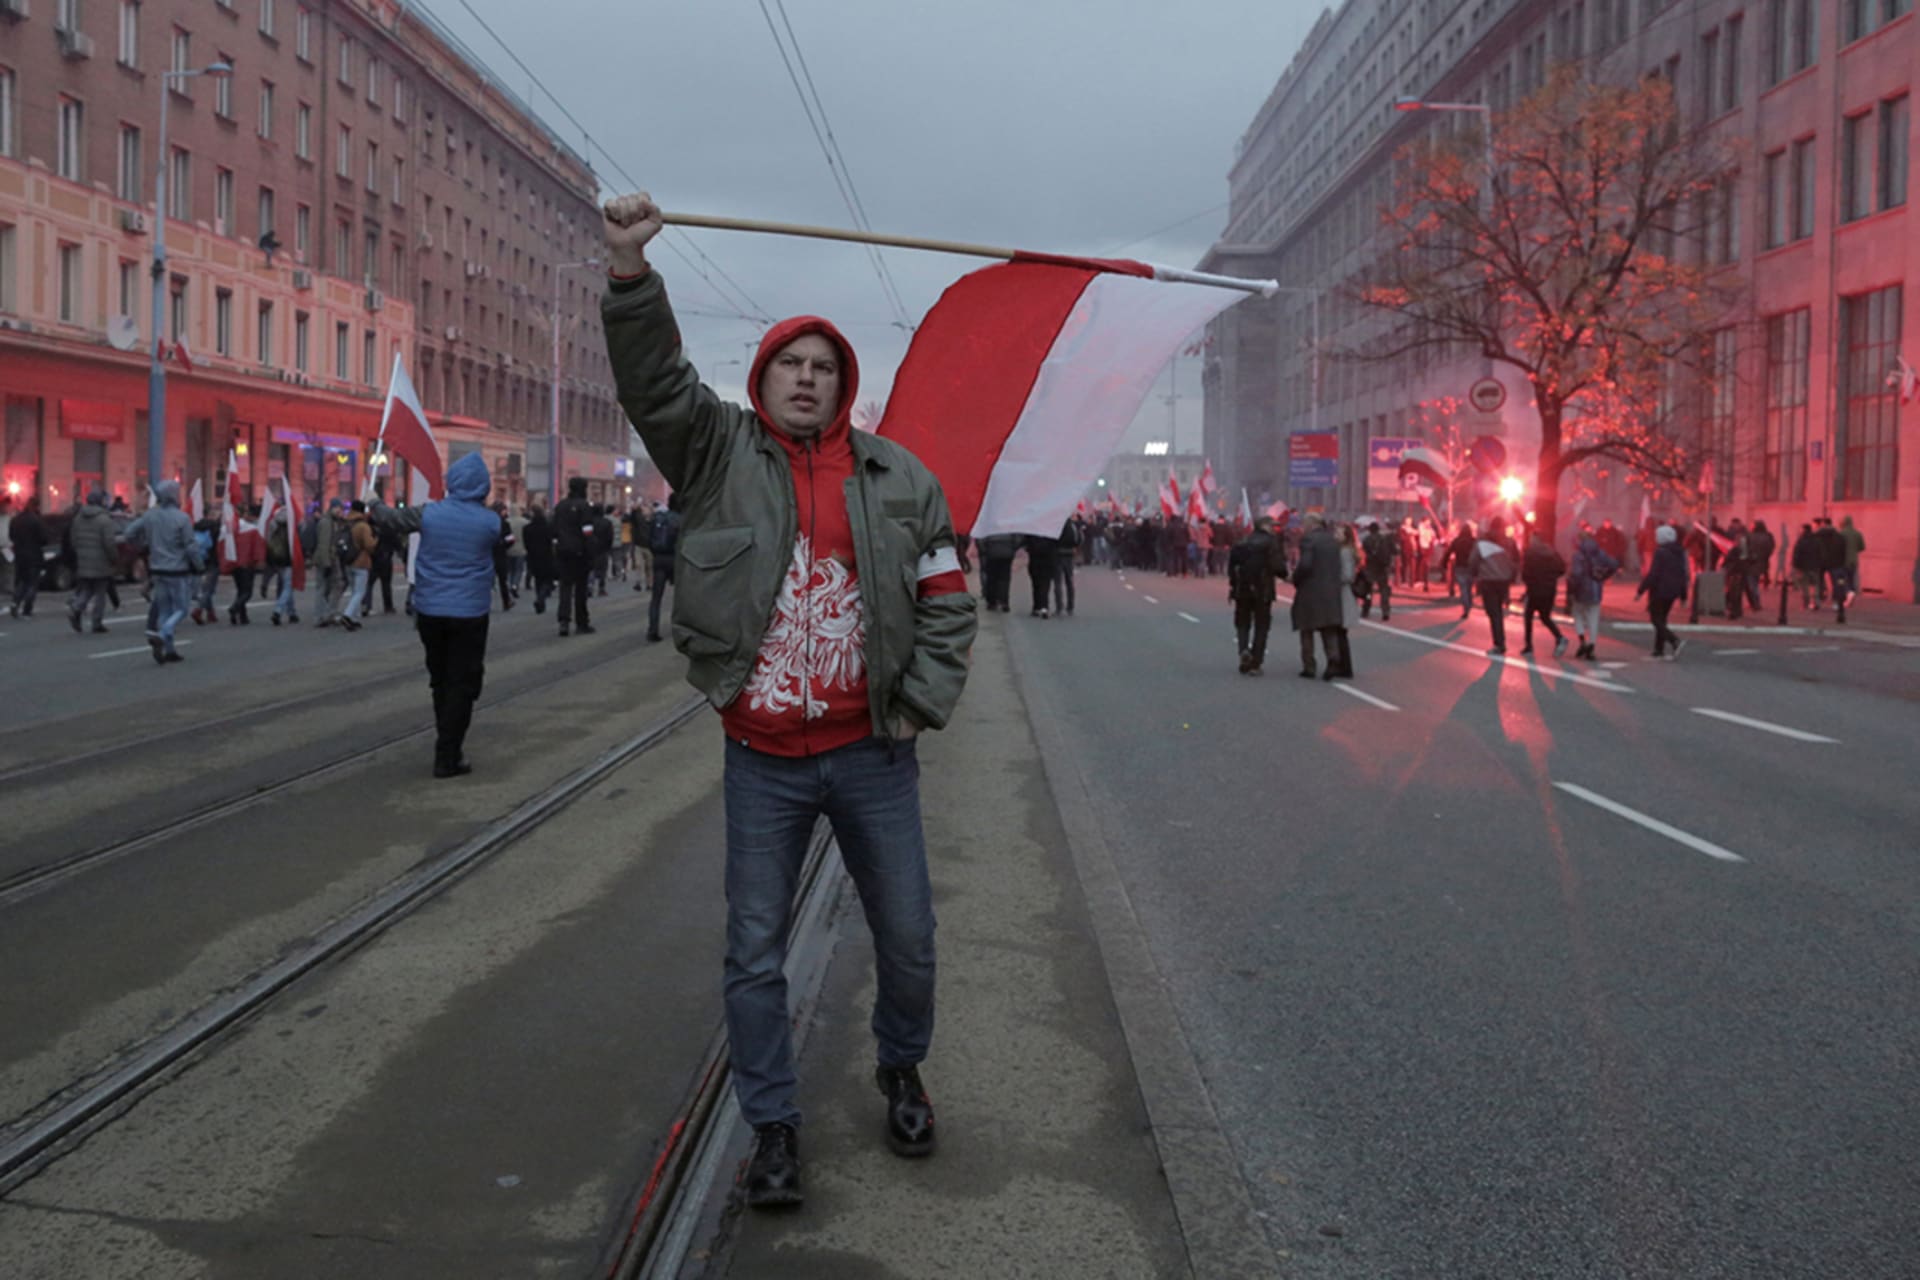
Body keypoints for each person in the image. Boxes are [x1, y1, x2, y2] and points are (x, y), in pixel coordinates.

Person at [600, 189, 976, 1209]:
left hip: (873, 753)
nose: (806, 380)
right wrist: (631, 275)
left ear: (844, 384)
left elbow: (949, 602)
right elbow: (653, 381)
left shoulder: (902, 479)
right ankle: (773, 1124)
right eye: (789, 366)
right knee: (754, 952)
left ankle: (902, 1064)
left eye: (823, 368)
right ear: (762, 379)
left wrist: (918, 705)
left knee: (908, 935)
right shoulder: (717, 453)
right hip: (762, 758)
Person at [373, 453, 503, 778]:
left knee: (440, 678)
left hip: (430, 609)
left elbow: (391, 520)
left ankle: (445, 738)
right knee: (464, 681)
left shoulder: (429, 514)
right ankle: (448, 751)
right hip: (471, 612)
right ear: (483, 487)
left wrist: (373, 502)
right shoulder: (490, 523)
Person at [119, 481, 203, 662]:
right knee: (181, 608)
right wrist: (199, 564)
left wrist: (143, 545)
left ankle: (169, 649)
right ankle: (164, 634)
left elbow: (129, 533)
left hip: (157, 568)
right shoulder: (182, 518)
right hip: (177, 569)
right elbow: (190, 546)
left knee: (164, 609)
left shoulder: (150, 515)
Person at [1290, 514, 1347, 678]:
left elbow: (1306, 564)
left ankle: (1309, 666)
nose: (1303, 526)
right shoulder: (1333, 541)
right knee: (1328, 628)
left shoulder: (1308, 540)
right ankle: (1333, 660)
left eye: (1304, 522)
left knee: (1306, 628)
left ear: (1312, 523)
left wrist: (1296, 578)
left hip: (1311, 590)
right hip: (1331, 590)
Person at [1227, 515, 1286, 674]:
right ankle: (1256, 661)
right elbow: (1278, 566)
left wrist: (1233, 586)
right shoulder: (1271, 543)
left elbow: (1231, 567)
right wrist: (1286, 575)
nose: (1274, 529)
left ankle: (1243, 649)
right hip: (1263, 589)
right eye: (1272, 526)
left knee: (1243, 622)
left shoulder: (1242, 542)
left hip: (1242, 589)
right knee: (1262, 625)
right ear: (1265, 526)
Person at [65, 490, 119, 634]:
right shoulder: (104, 520)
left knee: (87, 588)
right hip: (101, 561)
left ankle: (76, 608)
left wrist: (80, 553)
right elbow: (109, 543)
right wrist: (114, 558)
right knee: (100, 592)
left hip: (84, 559)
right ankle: (96, 622)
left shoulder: (78, 518)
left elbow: (73, 540)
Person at [1636, 523, 1690, 659]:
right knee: (1662, 619)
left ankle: (1674, 640)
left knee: (1656, 619)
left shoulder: (1660, 552)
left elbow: (1653, 574)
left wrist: (1641, 590)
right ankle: (1658, 649)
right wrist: (1684, 596)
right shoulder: (1680, 552)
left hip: (1659, 591)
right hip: (1673, 592)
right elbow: (1683, 574)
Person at [1468, 516, 1518, 656]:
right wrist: (1512, 577)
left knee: (1493, 612)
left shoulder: (1482, 542)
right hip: (1504, 580)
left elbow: (1473, 560)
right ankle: (1500, 641)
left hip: (1488, 580)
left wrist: (1474, 575)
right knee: (1499, 612)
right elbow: (1516, 561)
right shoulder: (1509, 542)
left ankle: (1499, 643)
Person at [1567, 526, 1619, 661]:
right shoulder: (1599, 552)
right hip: (1596, 590)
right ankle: (1592, 645)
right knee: (1593, 618)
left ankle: (1582, 640)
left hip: (1581, 591)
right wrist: (1603, 577)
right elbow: (1614, 564)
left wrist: (1571, 590)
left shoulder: (1578, 555)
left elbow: (1576, 574)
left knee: (1577, 614)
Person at [553, 476, 597, 636]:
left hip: (563, 552)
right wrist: (591, 552)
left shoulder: (560, 506)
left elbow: (554, 530)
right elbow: (588, 532)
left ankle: (564, 621)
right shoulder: (584, 506)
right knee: (581, 588)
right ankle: (581, 622)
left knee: (565, 587)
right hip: (580, 553)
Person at [1519, 527, 1567, 657]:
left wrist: (1529, 582)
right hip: (1549, 589)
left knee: (1528, 616)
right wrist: (1551, 577)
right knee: (1545, 616)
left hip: (1535, 589)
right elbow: (1562, 568)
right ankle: (1559, 637)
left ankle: (1528, 645)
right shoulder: (1552, 552)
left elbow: (1525, 573)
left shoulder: (1530, 553)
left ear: (1534, 539)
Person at [646, 493, 681, 643]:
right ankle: (680, 629)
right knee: (681, 598)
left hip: (659, 559)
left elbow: (649, 538)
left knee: (656, 598)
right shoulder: (681, 519)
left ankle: (652, 630)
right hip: (675, 559)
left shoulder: (657, 518)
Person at [336, 500, 376, 630]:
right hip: (361, 562)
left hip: (348, 560)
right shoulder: (363, 526)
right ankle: (347, 615)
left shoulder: (346, 523)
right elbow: (369, 546)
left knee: (354, 590)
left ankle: (354, 618)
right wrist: (376, 540)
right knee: (359, 592)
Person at [306, 498, 347, 627]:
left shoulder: (332, 521)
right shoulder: (326, 523)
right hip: (327, 559)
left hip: (330, 558)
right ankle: (323, 615)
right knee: (324, 587)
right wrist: (326, 563)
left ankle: (327, 614)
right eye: (339, 509)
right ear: (333, 508)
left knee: (332, 586)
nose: (341, 511)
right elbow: (324, 544)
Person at [524, 503, 556, 614]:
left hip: (533, 556)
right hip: (547, 556)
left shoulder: (527, 528)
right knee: (548, 579)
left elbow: (526, 544)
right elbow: (552, 541)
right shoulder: (548, 527)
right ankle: (541, 597)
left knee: (538, 578)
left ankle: (539, 598)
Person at [1360, 520, 1396, 620]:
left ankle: (1366, 609)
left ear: (1370, 530)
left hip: (1371, 567)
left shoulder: (1366, 540)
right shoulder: (1385, 539)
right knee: (1384, 590)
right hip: (1383, 568)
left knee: (1368, 591)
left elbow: (1364, 553)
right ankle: (1385, 610)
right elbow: (1395, 551)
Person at [1442, 521, 1476, 616]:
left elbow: (1449, 552)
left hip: (1460, 566)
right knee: (1469, 586)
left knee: (1463, 587)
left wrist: (1444, 563)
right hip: (1471, 566)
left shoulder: (1457, 541)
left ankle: (1466, 606)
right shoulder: (1473, 541)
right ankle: (1469, 602)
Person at [977, 533, 1017, 612]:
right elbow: (1017, 539)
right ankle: (1004, 601)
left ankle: (992, 602)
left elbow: (980, 539)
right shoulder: (1009, 524)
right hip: (1007, 552)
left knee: (991, 578)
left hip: (991, 552)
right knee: (1005, 579)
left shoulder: (988, 525)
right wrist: (1012, 548)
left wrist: (984, 550)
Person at [1022, 531, 1057, 618]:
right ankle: (1044, 607)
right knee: (1045, 585)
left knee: (1036, 584)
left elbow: (1025, 545)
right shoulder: (1051, 532)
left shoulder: (1031, 532)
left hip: (1035, 561)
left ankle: (1036, 607)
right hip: (1048, 561)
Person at [1790, 522, 1822, 611]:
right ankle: (1815, 602)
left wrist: (1795, 565)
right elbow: (1820, 553)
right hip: (1814, 566)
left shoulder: (1801, 541)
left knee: (1804, 586)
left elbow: (1796, 554)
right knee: (1815, 585)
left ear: (1803, 530)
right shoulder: (1816, 540)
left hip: (1803, 567)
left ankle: (1806, 603)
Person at [1052, 516, 1079, 617]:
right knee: (1069, 581)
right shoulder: (1072, 525)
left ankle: (1059, 607)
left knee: (1057, 582)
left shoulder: (1055, 525)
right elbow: (1078, 538)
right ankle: (1070, 606)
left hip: (1057, 554)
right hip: (1069, 555)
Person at [1838, 515, 1866, 607]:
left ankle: (1846, 595)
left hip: (1842, 561)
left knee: (1841, 580)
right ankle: (1851, 593)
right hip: (1854, 561)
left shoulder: (1841, 534)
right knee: (1851, 579)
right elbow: (1862, 547)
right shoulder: (1857, 533)